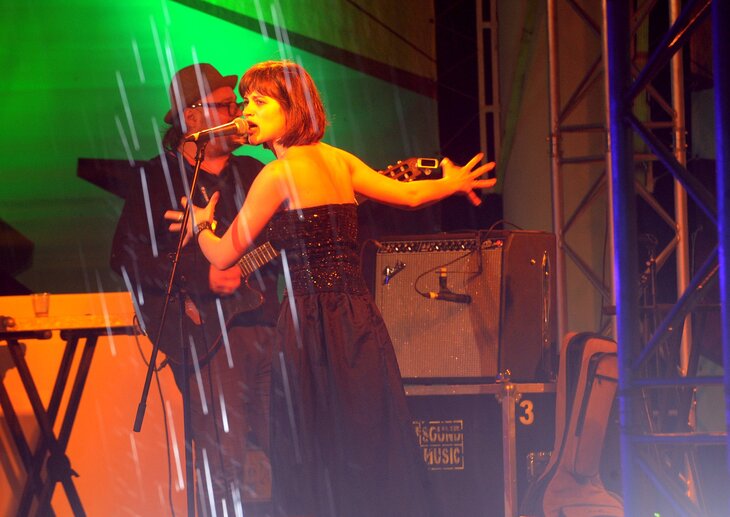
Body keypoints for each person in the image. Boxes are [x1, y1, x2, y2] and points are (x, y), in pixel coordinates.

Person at [169, 60, 496, 517]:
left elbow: (223, 255)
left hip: (307, 325)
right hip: (358, 318)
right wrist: (453, 182)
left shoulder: (276, 176)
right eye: (246, 102)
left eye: (260, 101)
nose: (248, 111)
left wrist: (201, 226)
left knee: (313, 449)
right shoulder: (339, 160)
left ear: (292, 108)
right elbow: (410, 196)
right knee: (367, 439)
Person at [110, 63, 279, 515]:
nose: (237, 112)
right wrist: (201, 277)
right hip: (209, 334)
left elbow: (284, 241)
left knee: (286, 451)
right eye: (224, 105)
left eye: (235, 104)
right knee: (224, 461)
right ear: (191, 117)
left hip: (269, 325)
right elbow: (124, 257)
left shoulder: (256, 173)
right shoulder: (155, 180)